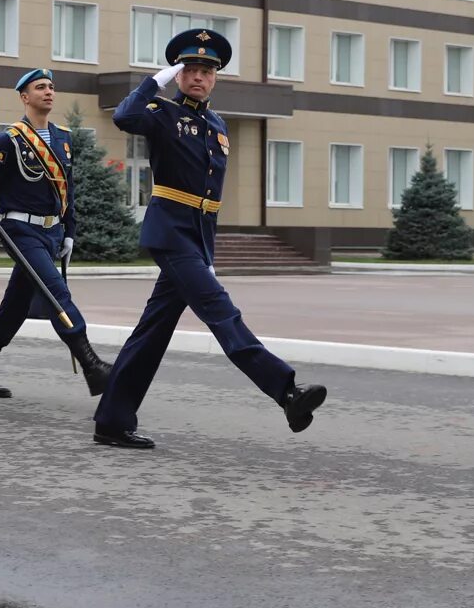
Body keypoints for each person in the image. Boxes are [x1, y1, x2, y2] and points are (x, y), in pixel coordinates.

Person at [92, 30, 328, 448]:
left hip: (195, 241)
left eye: (206, 71)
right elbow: (124, 118)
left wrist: (208, 252)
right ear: (179, 75)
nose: (198, 77)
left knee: (152, 332)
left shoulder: (217, 125)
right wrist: (153, 82)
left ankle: (112, 420)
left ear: (216, 78)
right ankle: (286, 391)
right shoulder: (160, 113)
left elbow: (209, 197)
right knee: (222, 313)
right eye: (190, 70)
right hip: (169, 235)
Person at [0, 68, 112, 397]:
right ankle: (92, 364)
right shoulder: (9, 140)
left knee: (15, 306)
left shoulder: (63, 139)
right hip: (21, 231)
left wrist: (69, 232)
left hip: (51, 234)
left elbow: (68, 190)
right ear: (24, 97)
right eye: (40, 87)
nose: (48, 92)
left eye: (51, 87)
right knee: (56, 294)